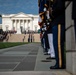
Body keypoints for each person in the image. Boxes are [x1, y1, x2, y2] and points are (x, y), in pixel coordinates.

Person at [49, 0, 66, 69]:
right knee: (56, 44)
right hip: (56, 23)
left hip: (59, 22)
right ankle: (58, 62)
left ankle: (60, 64)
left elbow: (60, 8)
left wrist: (52, 11)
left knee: (58, 44)